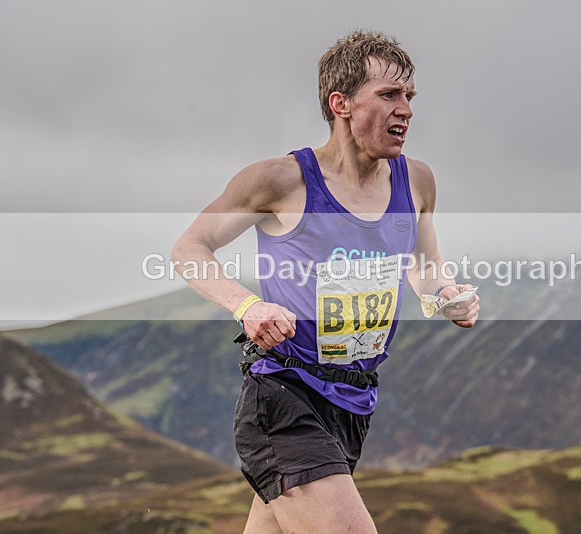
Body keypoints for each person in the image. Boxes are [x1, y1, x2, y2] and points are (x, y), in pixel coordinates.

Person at [171, 30, 479, 534]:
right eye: (388, 96)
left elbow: (424, 264)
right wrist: (248, 307)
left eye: (409, 98)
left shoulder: (416, 181)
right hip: (283, 395)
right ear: (341, 104)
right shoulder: (280, 180)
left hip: (353, 403)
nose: (405, 110)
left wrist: (446, 294)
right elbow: (189, 248)